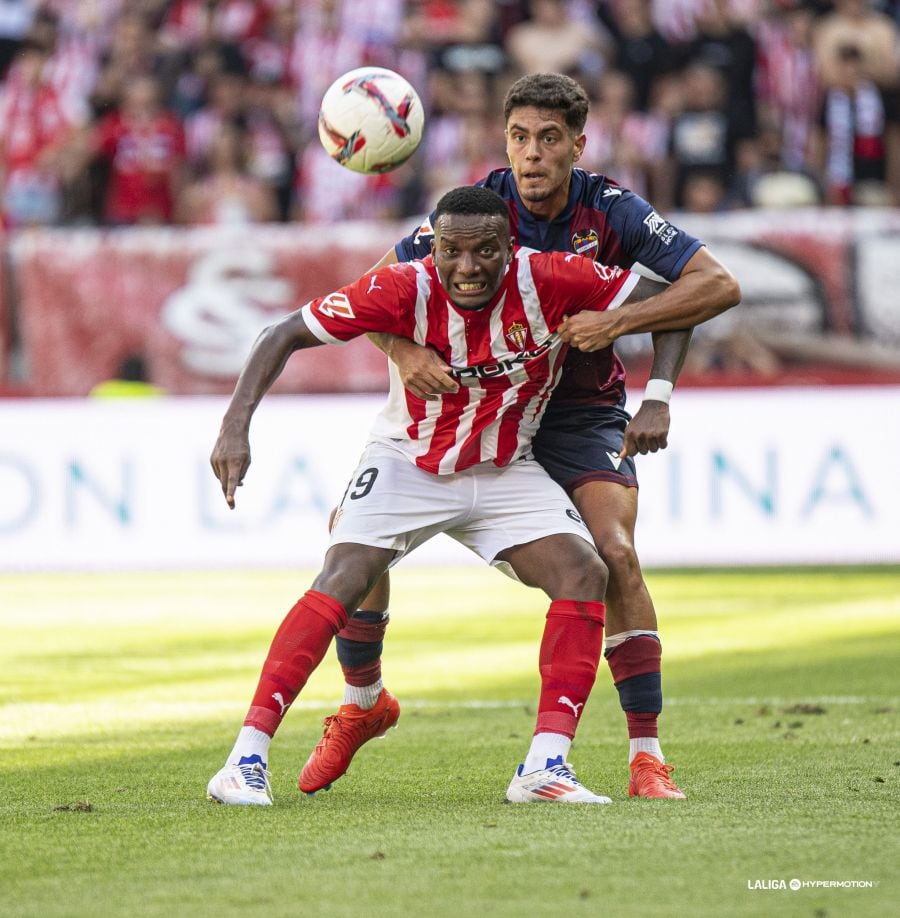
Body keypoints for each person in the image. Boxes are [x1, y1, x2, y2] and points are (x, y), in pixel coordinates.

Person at [205, 185, 736, 807]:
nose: (467, 268)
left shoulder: (556, 276)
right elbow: (281, 333)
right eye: (451, 252)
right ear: (433, 250)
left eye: (485, 252)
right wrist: (234, 428)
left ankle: (545, 767)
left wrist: (658, 392)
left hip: (506, 466)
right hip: (409, 460)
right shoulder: (401, 286)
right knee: (346, 570)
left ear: (511, 248)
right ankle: (245, 759)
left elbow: (676, 303)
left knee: (584, 569)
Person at [305, 73, 741, 801]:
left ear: (578, 143)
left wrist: (651, 383)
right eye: (518, 138)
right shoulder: (474, 211)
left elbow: (709, 286)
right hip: (480, 409)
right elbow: (369, 293)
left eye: (547, 139)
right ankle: (362, 701)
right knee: (354, 541)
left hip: (576, 415)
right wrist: (405, 354)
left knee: (615, 554)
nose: (531, 154)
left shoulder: (612, 211)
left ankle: (645, 756)